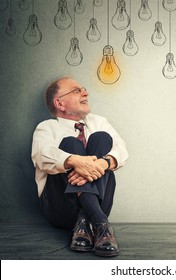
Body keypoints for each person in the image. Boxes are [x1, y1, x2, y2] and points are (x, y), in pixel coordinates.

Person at [31, 76, 129, 257]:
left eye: (83, 89)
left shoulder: (99, 122)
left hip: (100, 204)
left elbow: (121, 150)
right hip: (60, 208)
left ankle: (84, 224)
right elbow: (41, 156)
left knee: (102, 138)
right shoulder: (47, 127)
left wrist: (102, 163)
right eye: (77, 90)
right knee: (71, 145)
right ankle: (101, 224)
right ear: (60, 103)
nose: (86, 92)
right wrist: (75, 161)